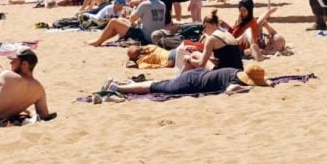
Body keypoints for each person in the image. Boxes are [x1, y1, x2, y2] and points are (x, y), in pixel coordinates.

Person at [104, 63, 272, 97]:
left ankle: (129, 84)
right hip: (191, 84)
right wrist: (249, 89)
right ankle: (119, 87)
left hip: (196, 73)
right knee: (155, 87)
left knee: (160, 83)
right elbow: (230, 91)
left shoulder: (234, 71)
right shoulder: (236, 83)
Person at [87, 0, 165, 47]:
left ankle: (98, 42)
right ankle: (100, 39)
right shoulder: (162, 4)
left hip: (144, 37)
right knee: (120, 20)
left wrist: (135, 9)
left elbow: (131, 19)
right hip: (156, 36)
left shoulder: (145, 4)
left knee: (114, 21)